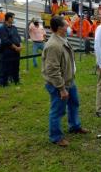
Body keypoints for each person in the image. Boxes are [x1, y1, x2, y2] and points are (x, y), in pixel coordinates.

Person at [42, 16, 88, 147]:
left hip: (69, 81)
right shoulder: (54, 45)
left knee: (74, 104)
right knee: (57, 110)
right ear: (59, 28)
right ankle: (56, 137)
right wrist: (61, 88)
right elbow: (52, 70)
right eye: (66, 25)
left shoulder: (62, 40)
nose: (68, 27)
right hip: (59, 84)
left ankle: (74, 126)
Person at [0, 12, 21, 87]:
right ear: (9, 18)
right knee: (6, 67)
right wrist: (15, 47)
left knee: (16, 66)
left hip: (16, 52)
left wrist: (20, 46)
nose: (14, 19)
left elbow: (18, 37)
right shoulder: (2, 29)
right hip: (7, 51)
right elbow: (5, 41)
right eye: (13, 17)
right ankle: (4, 83)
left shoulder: (14, 28)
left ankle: (16, 80)